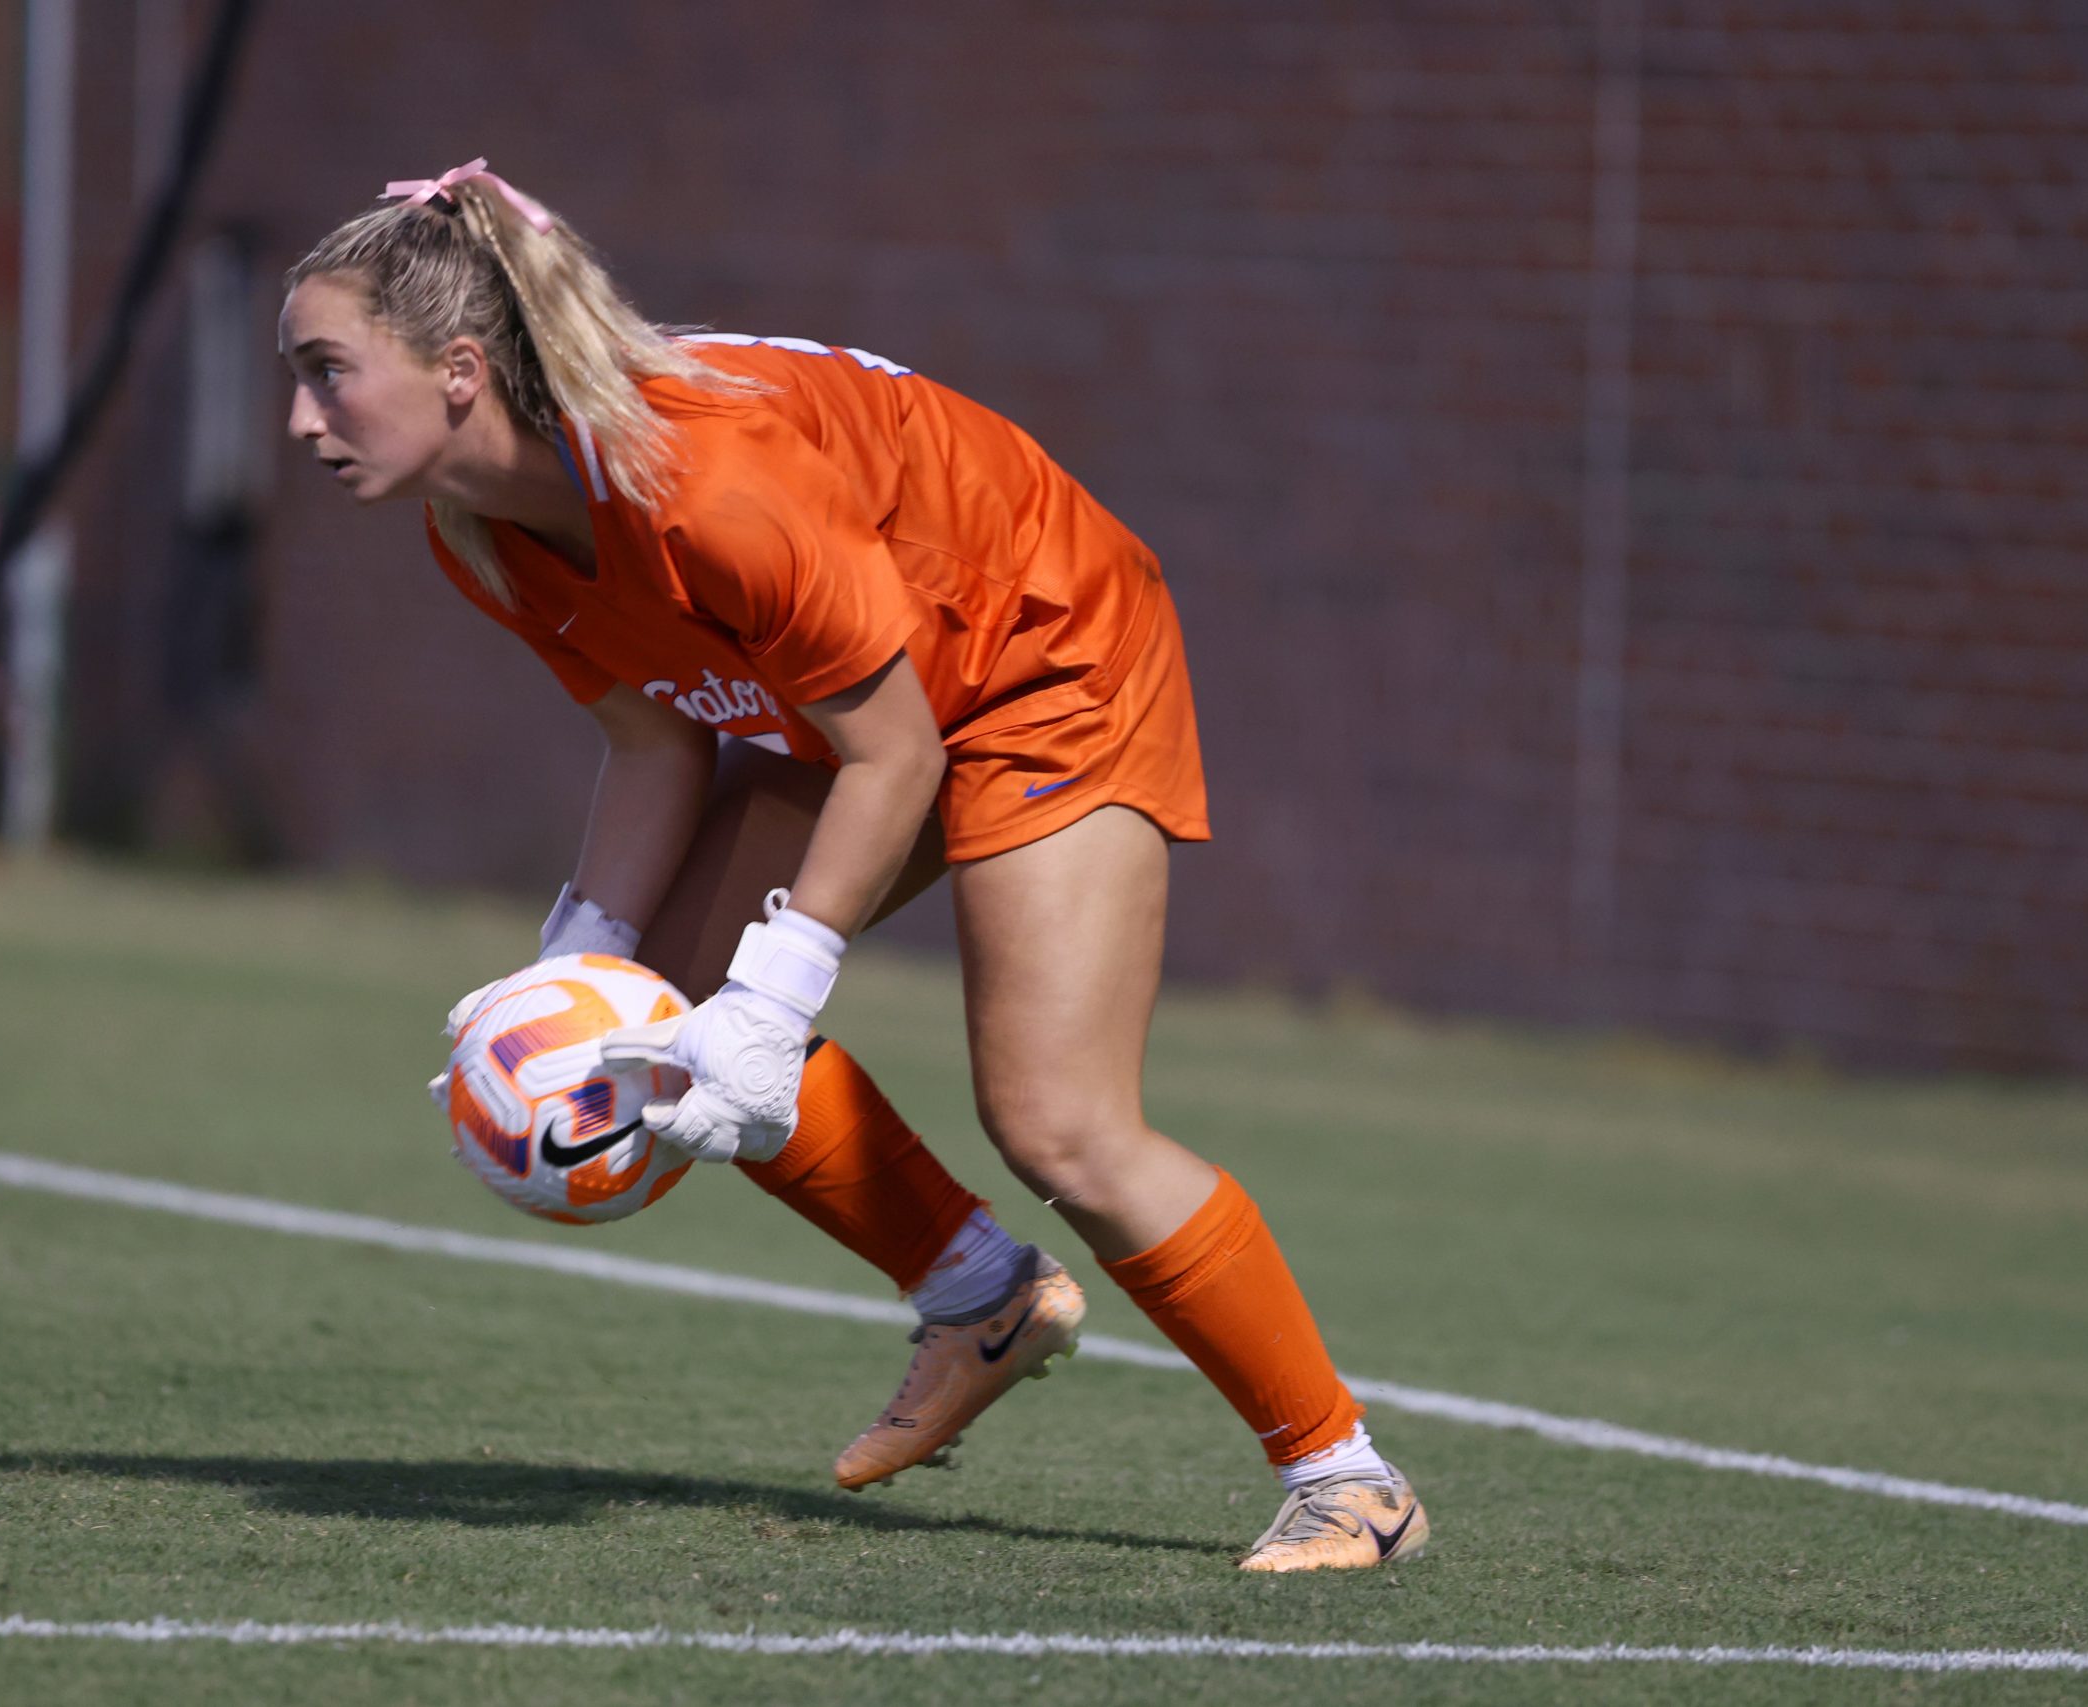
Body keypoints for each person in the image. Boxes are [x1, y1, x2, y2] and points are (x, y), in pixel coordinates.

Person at [278, 159, 1426, 1572]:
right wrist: (575, 968)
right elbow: (654, 747)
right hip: (880, 690)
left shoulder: (706, 485)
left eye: (329, 373)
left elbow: (897, 755)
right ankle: (978, 1295)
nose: (299, 418)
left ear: (461, 370)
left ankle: (1349, 1478)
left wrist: (773, 1003)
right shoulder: (483, 530)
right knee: (649, 1033)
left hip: (1042, 652)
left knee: (1058, 1122)